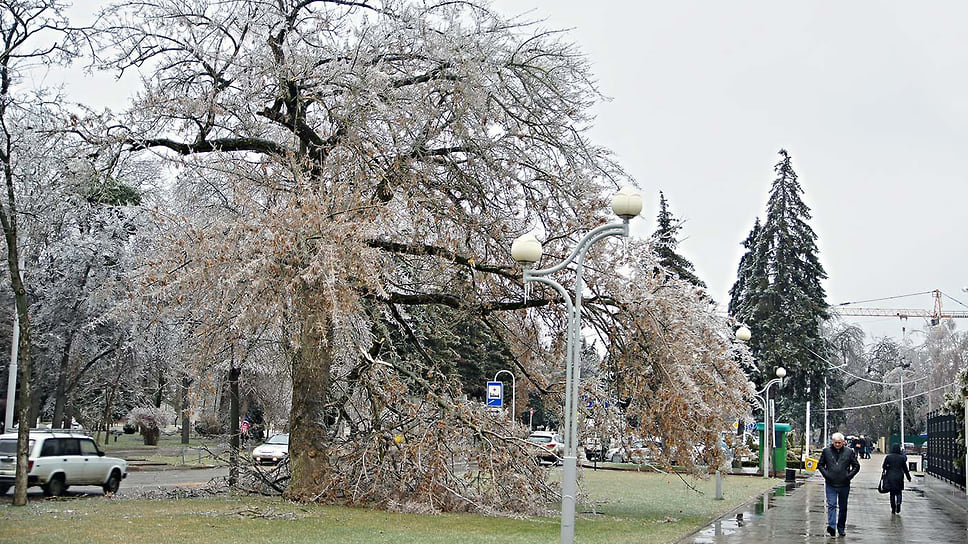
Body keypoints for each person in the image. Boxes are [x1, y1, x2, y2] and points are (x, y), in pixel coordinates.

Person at [818, 432, 861, 537]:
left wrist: (849, 476)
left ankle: (841, 527)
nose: (837, 444)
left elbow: (856, 466)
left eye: (839, 442)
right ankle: (832, 527)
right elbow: (820, 464)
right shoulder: (826, 451)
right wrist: (826, 475)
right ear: (832, 442)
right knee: (831, 505)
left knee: (843, 507)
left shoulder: (849, 452)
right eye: (835, 442)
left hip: (844, 484)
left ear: (843, 442)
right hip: (831, 483)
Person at [882, 442, 912, 514]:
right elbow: (905, 469)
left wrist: (888, 467)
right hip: (899, 476)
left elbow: (884, 466)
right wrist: (908, 477)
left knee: (892, 493)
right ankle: (898, 502)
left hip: (890, 475)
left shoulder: (888, 457)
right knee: (899, 492)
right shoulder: (901, 458)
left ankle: (893, 508)